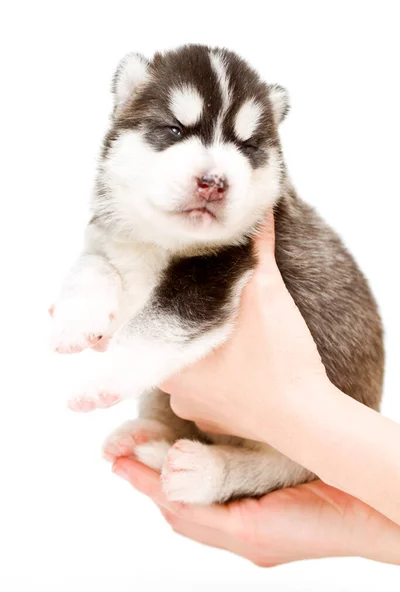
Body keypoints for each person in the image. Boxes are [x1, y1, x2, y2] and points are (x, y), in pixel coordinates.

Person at [111, 212, 400, 566]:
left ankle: (222, 469)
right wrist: (357, 526)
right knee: (173, 354)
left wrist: (291, 407)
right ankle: (168, 428)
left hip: (308, 430)